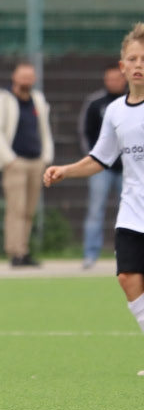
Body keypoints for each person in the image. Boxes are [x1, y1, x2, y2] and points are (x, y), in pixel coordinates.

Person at [44, 22, 144, 375]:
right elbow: (100, 158)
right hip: (133, 212)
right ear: (121, 67)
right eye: (132, 58)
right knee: (128, 277)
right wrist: (65, 170)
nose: (138, 64)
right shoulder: (116, 111)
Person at [0, 61, 54, 267]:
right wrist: (9, 159)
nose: (26, 80)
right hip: (16, 162)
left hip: (36, 161)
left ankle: (24, 249)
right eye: (23, 76)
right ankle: (15, 252)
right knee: (16, 209)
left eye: (30, 76)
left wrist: (46, 156)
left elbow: (44, 130)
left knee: (29, 210)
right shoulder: (2, 100)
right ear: (14, 77)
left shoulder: (37, 100)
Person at [78, 66, 127, 269]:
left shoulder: (135, 102)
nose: (113, 82)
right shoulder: (96, 103)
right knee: (95, 211)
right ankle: (90, 255)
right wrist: (95, 159)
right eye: (109, 78)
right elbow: (85, 132)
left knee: (131, 212)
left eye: (117, 78)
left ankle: (128, 255)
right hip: (101, 169)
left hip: (129, 168)